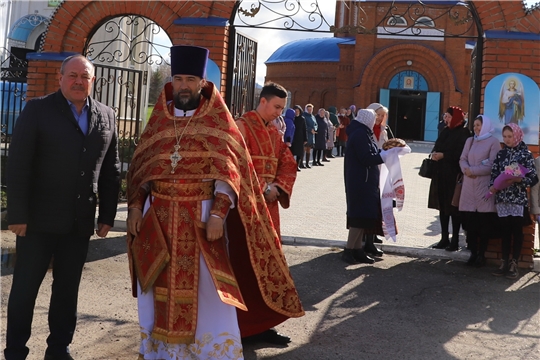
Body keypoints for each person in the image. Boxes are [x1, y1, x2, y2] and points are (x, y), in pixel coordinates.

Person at [126, 46, 304, 359]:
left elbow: (230, 173)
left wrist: (219, 216)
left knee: (208, 292)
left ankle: (208, 353)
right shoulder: (159, 122)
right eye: (178, 78)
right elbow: (143, 171)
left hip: (202, 221)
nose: (183, 85)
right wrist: (135, 209)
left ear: (202, 83)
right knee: (155, 287)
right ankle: (161, 353)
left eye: (190, 79)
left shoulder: (219, 123)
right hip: (160, 222)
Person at [4, 54, 121, 360]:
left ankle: (59, 349)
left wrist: (107, 215)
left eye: (85, 76)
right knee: (25, 291)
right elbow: (18, 165)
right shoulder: (37, 109)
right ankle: (15, 350)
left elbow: (111, 170)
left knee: (67, 292)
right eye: (73, 75)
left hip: (78, 223)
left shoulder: (107, 115)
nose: (79, 81)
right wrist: (16, 214)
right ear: (60, 78)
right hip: (37, 222)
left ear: (93, 81)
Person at [234, 82, 299, 344]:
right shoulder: (241, 126)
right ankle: (243, 328)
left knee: (269, 267)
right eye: (276, 107)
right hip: (246, 209)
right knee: (246, 267)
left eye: (282, 109)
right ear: (263, 101)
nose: (278, 113)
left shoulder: (274, 132)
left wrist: (278, 188)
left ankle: (263, 323)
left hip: (270, 209)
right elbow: (237, 164)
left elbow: (288, 162)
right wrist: (263, 187)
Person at [342, 109, 405, 265]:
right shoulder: (359, 134)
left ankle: (358, 250)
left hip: (365, 181)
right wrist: (385, 155)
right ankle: (349, 250)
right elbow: (365, 158)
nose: (376, 121)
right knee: (358, 218)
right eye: (374, 118)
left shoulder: (363, 132)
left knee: (363, 217)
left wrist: (385, 152)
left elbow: (372, 152)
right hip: (360, 182)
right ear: (367, 119)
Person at [489, 123, 537, 279]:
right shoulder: (501, 154)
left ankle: (514, 263)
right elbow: (494, 173)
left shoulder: (525, 154)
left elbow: (533, 178)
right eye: (505, 137)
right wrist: (493, 186)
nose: (507, 140)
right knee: (504, 231)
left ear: (517, 135)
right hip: (502, 198)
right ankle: (504, 261)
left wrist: (518, 180)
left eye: (510, 136)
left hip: (517, 199)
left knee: (517, 231)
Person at [458, 115, 501, 267]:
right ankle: (473, 253)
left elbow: (492, 165)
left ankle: (481, 255)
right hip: (469, 187)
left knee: (484, 224)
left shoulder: (493, 142)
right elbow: (462, 158)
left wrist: (473, 170)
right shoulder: (470, 141)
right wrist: (466, 170)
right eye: (475, 125)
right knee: (471, 224)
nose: (476, 128)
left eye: (479, 125)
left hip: (484, 187)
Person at [428, 106, 471, 251]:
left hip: (454, 176)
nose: (445, 119)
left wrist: (444, 156)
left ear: (457, 118)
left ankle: (455, 241)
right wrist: (434, 154)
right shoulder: (445, 131)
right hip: (440, 174)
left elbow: (461, 154)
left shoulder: (464, 133)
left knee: (454, 208)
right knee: (442, 206)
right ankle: (444, 238)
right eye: (445, 116)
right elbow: (437, 146)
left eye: (449, 116)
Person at [291, 105, 307, 171]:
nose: (296, 112)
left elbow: (304, 129)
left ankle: (297, 165)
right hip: (293, 138)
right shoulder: (292, 118)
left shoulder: (302, 119)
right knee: (292, 153)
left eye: (298, 111)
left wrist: (305, 139)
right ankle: (291, 166)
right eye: (295, 111)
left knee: (299, 153)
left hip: (300, 138)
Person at [303, 104, 317, 168]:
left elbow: (316, 124)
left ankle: (307, 163)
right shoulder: (304, 116)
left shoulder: (313, 116)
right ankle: (301, 163)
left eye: (311, 109)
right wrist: (310, 129)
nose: (309, 110)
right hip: (307, 134)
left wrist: (315, 129)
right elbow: (304, 125)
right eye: (308, 109)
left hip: (312, 135)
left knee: (309, 149)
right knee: (304, 149)